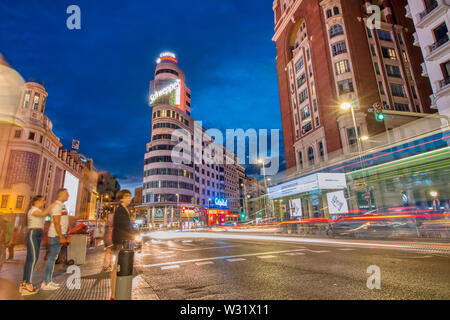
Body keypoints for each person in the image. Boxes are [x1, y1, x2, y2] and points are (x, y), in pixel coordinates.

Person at [19, 196, 56, 295]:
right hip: (33, 233)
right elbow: (44, 213)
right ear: (37, 201)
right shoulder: (33, 210)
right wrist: (53, 205)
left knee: (31, 259)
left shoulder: (37, 210)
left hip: (37, 234)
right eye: (43, 201)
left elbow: (44, 215)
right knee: (33, 259)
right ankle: (28, 284)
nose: (44, 202)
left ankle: (24, 283)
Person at [110, 190, 136, 300]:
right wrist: (133, 233)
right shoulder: (120, 210)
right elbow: (122, 226)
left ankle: (117, 292)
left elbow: (127, 225)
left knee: (118, 267)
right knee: (117, 268)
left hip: (123, 241)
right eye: (128, 196)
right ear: (122, 198)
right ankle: (113, 294)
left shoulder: (125, 209)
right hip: (120, 242)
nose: (130, 198)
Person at [41, 189, 70, 291]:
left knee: (53, 258)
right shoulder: (57, 206)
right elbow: (56, 222)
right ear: (61, 194)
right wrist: (61, 236)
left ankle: (49, 281)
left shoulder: (62, 206)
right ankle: (46, 282)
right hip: (56, 235)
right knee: (52, 259)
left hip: (59, 235)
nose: (68, 195)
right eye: (67, 194)